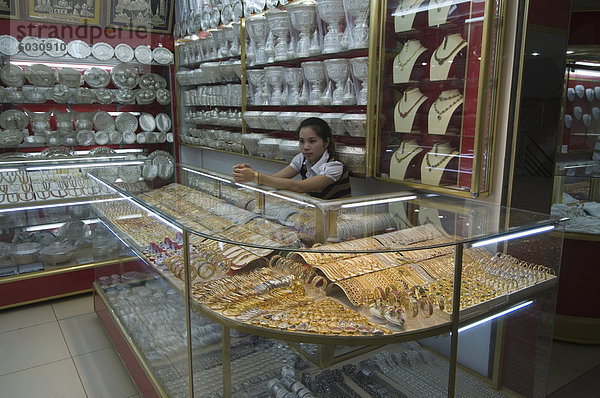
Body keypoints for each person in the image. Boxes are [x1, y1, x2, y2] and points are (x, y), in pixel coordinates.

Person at [233, 117, 352, 199]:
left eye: (312, 141)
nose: (305, 147)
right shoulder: (302, 158)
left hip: (339, 219)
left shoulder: (334, 166)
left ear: (326, 142)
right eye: (301, 141)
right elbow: (275, 179)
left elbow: (299, 187)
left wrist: (256, 176)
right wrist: (251, 174)